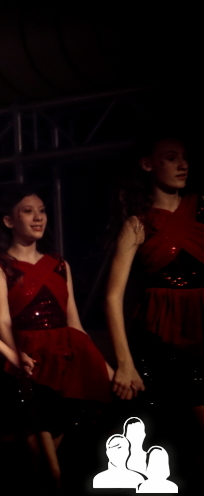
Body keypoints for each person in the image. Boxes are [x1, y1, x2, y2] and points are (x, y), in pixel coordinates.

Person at [0, 186, 112, 496]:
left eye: (42, 210)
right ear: (8, 221)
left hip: (63, 369)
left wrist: (104, 366)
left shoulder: (60, 264)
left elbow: (75, 324)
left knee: (52, 477)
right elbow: (2, 322)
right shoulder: (1, 268)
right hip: (27, 368)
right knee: (50, 471)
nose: (38, 217)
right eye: (28, 211)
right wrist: (15, 357)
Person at [104, 138, 203, 415]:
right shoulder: (138, 224)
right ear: (147, 164)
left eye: (185, 157)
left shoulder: (201, 208)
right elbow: (113, 297)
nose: (183, 165)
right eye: (171, 158)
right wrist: (125, 363)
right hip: (162, 340)